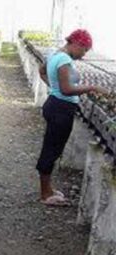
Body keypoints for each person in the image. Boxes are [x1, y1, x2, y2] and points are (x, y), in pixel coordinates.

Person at [36, 29, 109, 206]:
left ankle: (48, 189)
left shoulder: (56, 55)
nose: (83, 55)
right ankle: (45, 194)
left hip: (55, 105)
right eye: (84, 50)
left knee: (53, 147)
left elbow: (42, 70)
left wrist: (53, 87)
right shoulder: (64, 59)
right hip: (61, 109)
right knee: (51, 150)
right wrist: (92, 88)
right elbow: (67, 89)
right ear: (76, 44)